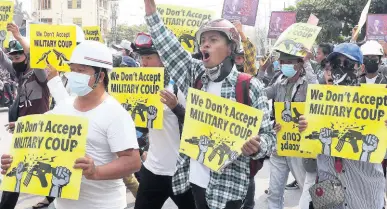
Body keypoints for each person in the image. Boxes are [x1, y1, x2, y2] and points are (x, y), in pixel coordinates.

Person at [143, 1, 275, 209]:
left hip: (230, 187)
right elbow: (170, 48)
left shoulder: (250, 86)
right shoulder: (194, 75)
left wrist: (257, 147)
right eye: (203, 40)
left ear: (231, 47)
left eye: (213, 40)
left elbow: (269, 137)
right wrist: (151, 13)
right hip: (195, 181)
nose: (205, 45)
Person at [2, 40, 142, 209]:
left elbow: (132, 162)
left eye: (81, 71)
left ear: (101, 76)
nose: (74, 74)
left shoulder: (115, 114)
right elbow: (39, 143)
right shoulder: (64, 107)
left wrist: (96, 171)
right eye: (72, 69)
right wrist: (15, 161)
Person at [300, 43, 386, 209]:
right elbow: (310, 157)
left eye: (347, 64)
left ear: (360, 68)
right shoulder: (319, 102)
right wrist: (306, 129)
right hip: (329, 191)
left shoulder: (377, 104)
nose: (341, 69)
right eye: (336, 64)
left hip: (364, 193)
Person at [130, 32, 195, 209]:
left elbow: (197, 126)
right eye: (141, 57)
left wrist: (175, 107)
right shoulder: (140, 87)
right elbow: (142, 126)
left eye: (149, 57)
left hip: (181, 170)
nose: (144, 63)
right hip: (153, 169)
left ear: (163, 59)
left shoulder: (179, 86)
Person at [0, 23, 52, 209]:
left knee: (50, 165)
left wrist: (19, 36)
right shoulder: (18, 73)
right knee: (15, 171)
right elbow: (3, 60)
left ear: (26, 56)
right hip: (22, 129)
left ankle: (53, 198)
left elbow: (36, 56)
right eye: (12, 56)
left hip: (43, 129)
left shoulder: (39, 74)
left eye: (18, 55)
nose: (14, 60)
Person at [264, 51, 317, 209]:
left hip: (299, 146)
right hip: (280, 143)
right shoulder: (279, 81)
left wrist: (307, 62)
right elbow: (260, 94)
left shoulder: (307, 83)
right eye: (283, 61)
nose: (285, 64)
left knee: (306, 190)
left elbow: (317, 92)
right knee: (274, 192)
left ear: (300, 63)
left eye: (290, 61)